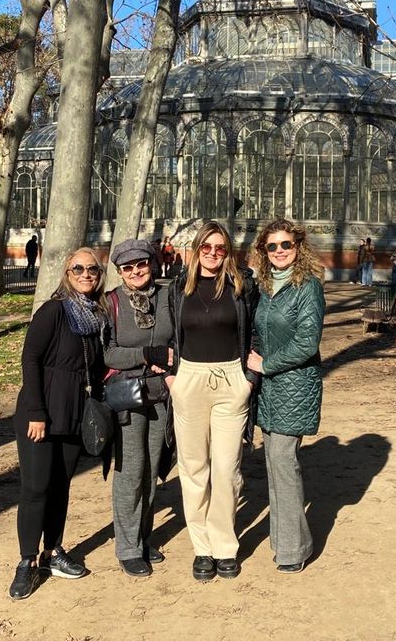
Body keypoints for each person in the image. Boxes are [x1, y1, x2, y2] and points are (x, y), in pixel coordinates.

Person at [9, 247, 108, 600]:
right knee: (36, 488)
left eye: (92, 269)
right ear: (67, 274)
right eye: (77, 268)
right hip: (42, 414)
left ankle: (53, 552)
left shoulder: (97, 317)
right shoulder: (53, 311)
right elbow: (30, 358)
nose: (85, 274)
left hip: (74, 414)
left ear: (99, 275)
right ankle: (26, 562)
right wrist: (36, 411)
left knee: (61, 486)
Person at [168, 220, 258, 582]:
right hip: (189, 378)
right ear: (196, 249)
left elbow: (257, 329)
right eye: (207, 248)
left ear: (228, 253)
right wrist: (172, 377)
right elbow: (168, 331)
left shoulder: (242, 286)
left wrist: (249, 379)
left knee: (225, 468)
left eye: (220, 249)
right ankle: (202, 547)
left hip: (230, 380)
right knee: (193, 468)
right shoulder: (179, 287)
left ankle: (224, 545)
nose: (213, 255)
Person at [247, 219, 325, 574]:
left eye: (286, 245)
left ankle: (294, 548)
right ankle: (283, 542)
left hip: (294, 385)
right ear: (263, 251)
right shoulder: (264, 287)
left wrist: (267, 365)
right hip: (267, 389)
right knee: (274, 465)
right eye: (272, 246)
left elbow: (308, 343)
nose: (280, 251)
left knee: (282, 462)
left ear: (299, 247)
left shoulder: (308, 286)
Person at [103, 239, 173, 578]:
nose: (136, 271)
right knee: (130, 471)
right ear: (119, 272)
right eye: (127, 267)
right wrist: (147, 356)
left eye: (141, 263)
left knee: (151, 469)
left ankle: (143, 537)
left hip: (161, 395)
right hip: (128, 397)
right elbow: (108, 353)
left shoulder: (168, 297)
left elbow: (178, 340)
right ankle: (127, 546)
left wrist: (169, 361)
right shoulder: (111, 303)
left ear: (153, 263)